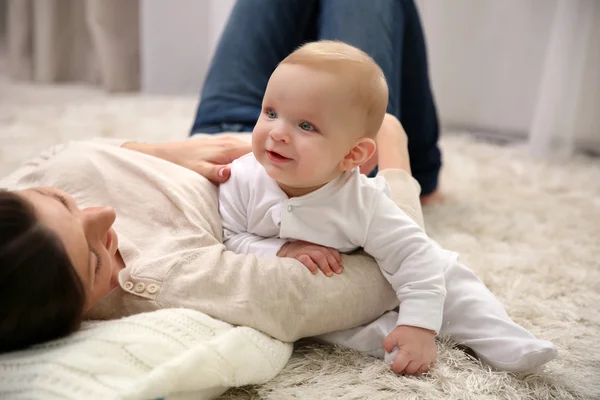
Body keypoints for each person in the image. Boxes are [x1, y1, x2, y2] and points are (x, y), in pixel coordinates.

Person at [218, 41, 557, 375]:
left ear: (352, 156)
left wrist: (420, 325)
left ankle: (506, 339)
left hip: (389, 261)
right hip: (336, 286)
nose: (277, 133)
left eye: (306, 126)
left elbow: (415, 257)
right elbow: (230, 238)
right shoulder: (242, 178)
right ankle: (388, 336)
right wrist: (281, 249)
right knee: (316, 322)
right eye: (271, 113)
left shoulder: (363, 203)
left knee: (454, 284)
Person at [191, 0, 443, 204]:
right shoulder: (351, 203)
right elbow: (406, 246)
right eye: (307, 126)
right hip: (333, 171)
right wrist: (391, 135)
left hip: (218, 131)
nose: (277, 135)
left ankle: (422, 166)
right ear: (355, 154)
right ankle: (420, 168)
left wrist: (161, 153)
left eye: (306, 126)